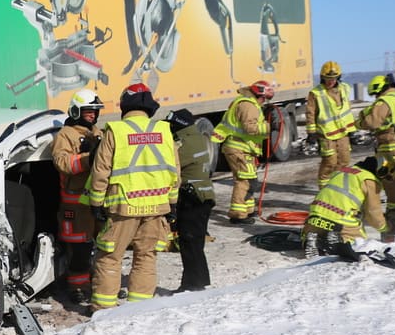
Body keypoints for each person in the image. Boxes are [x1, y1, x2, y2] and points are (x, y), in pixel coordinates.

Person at [86, 83, 180, 312]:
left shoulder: (115, 131)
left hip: (123, 207)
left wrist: (96, 203)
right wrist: (173, 203)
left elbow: (101, 171)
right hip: (157, 205)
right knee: (146, 256)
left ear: (124, 106)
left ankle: (104, 308)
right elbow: (175, 171)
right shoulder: (164, 131)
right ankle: (140, 308)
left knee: (110, 257)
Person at [51, 88, 104, 304]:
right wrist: (87, 159)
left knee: (101, 246)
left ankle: (99, 284)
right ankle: (77, 287)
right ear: (76, 111)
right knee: (79, 249)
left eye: (94, 111)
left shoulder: (97, 132)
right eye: (88, 110)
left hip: (97, 200)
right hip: (76, 202)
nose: (92, 114)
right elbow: (61, 162)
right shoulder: (66, 134)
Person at [210, 80, 274, 224]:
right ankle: (238, 215)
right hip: (238, 148)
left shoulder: (248, 103)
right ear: (260, 95)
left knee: (250, 179)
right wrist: (269, 127)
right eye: (265, 99)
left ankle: (248, 210)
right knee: (244, 180)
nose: (264, 102)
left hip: (243, 148)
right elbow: (250, 128)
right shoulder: (248, 105)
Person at [301, 157, 390, 259]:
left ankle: (314, 238)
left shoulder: (342, 171)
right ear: (379, 170)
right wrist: (386, 228)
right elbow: (373, 213)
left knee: (314, 232)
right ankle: (336, 241)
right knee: (359, 243)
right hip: (340, 224)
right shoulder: (369, 180)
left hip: (314, 220)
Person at [165, 109, 214, 291]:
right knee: (195, 242)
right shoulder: (199, 138)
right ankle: (195, 282)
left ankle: (194, 284)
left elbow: (169, 164)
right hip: (204, 196)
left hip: (192, 197)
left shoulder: (183, 144)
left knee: (190, 242)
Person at [356, 74, 395, 240]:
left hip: (390, 152)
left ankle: (392, 234)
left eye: (376, 94)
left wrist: (360, 120)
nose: (376, 98)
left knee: (394, 193)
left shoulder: (384, 102)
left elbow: (371, 123)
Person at [305, 61, 356, 186]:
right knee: (330, 163)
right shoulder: (316, 93)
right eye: (328, 78)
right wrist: (311, 133)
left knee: (344, 161)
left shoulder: (344, 88)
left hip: (343, 133)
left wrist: (352, 129)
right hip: (326, 134)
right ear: (322, 78)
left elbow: (346, 109)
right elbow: (310, 113)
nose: (330, 81)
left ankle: (337, 188)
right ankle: (324, 190)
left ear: (338, 77)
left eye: (333, 78)